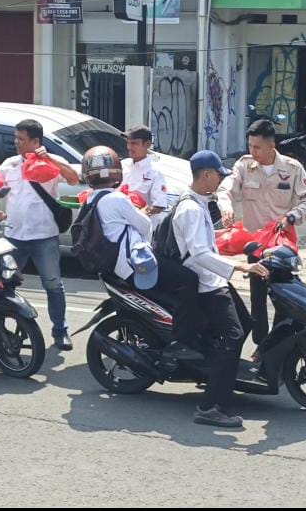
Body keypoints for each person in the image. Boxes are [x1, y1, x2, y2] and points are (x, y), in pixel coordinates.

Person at [173, 150, 271, 429]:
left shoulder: (200, 201)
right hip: (206, 283)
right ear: (205, 175)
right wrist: (241, 267)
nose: (220, 180)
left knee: (245, 324)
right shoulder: (191, 208)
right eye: (218, 175)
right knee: (234, 335)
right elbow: (200, 254)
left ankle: (220, 373)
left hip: (214, 278)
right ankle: (209, 406)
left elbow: (204, 242)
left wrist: (232, 238)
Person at [0, 119, 80, 351]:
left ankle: (60, 331)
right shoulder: (9, 165)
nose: (16, 143)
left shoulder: (51, 162)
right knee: (3, 285)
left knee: (53, 285)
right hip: (14, 237)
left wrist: (49, 158)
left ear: (36, 141)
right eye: (16, 138)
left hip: (45, 236)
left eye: (22, 139)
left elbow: (74, 178)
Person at [217, 119, 306, 344]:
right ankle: (261, 347)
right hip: (256, 246)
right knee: (258, 299)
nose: (253, 152)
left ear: (272, 145)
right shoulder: (244, 166)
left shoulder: (292, 168)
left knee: (284, 299)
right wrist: (226, 207)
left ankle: (277, 343)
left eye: (257, 147)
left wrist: (293, 216)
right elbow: (225, 189)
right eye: (250, 146)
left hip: (282, 248)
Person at [78, 146, 199, 327]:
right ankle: (183, 339)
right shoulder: (117, 199)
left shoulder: (88, 200)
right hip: (134, 266)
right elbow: (145, 226)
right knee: (190, 279)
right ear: (116, 173)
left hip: (113, 266)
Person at [121, 125, 170, 228]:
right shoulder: (122, 165)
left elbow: (159, 204)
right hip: (119, 225)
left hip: (142, 230)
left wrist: (139, 215)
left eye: (134, 143)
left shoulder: (155, 172)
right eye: (128, 143)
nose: (129, 147)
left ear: (147, 144)